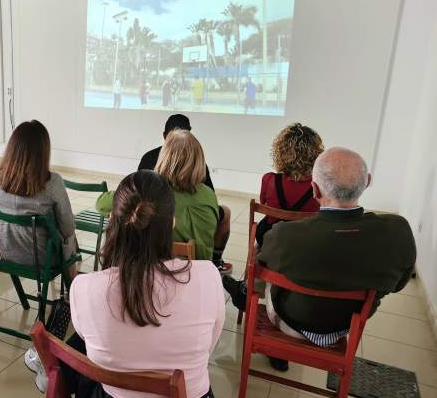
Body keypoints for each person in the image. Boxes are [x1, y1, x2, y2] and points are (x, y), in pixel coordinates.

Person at [61, 170, 224, 398]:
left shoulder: (84, 288)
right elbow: (208, 346)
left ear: (112, 221)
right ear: (172, 223)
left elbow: (90, 342)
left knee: (81, 360)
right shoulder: (208, 275)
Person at [224, 148, 416, 371]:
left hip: (290, 322)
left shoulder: (285, 235)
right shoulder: (397, 232)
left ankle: (242, 293)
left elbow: (260, 266)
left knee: (262, 262)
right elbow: (398, 284)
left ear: (314, 189)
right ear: (367, 182)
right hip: (346, 325)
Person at [0, 120, 78, 392]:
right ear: (44, 152)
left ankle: (72, 295)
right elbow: (68, 227)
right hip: (43, 259)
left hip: (7, 254)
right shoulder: (52, 184)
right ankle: (72, 296)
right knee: (69, 241)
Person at [99, 130, 232, 271]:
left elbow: (101, 204)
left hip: (156, 267)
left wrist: (127, 190)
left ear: (165, 157)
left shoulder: (152, 191)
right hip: (201, 269)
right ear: (199, 160)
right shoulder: (209, 195)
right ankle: (217, 262)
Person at [256, 123, 323, 246]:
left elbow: (264, 205)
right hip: (307, 242)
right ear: (316, 153)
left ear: (281, 152)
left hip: (272, 240)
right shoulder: (321, 184)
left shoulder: (269, 180)